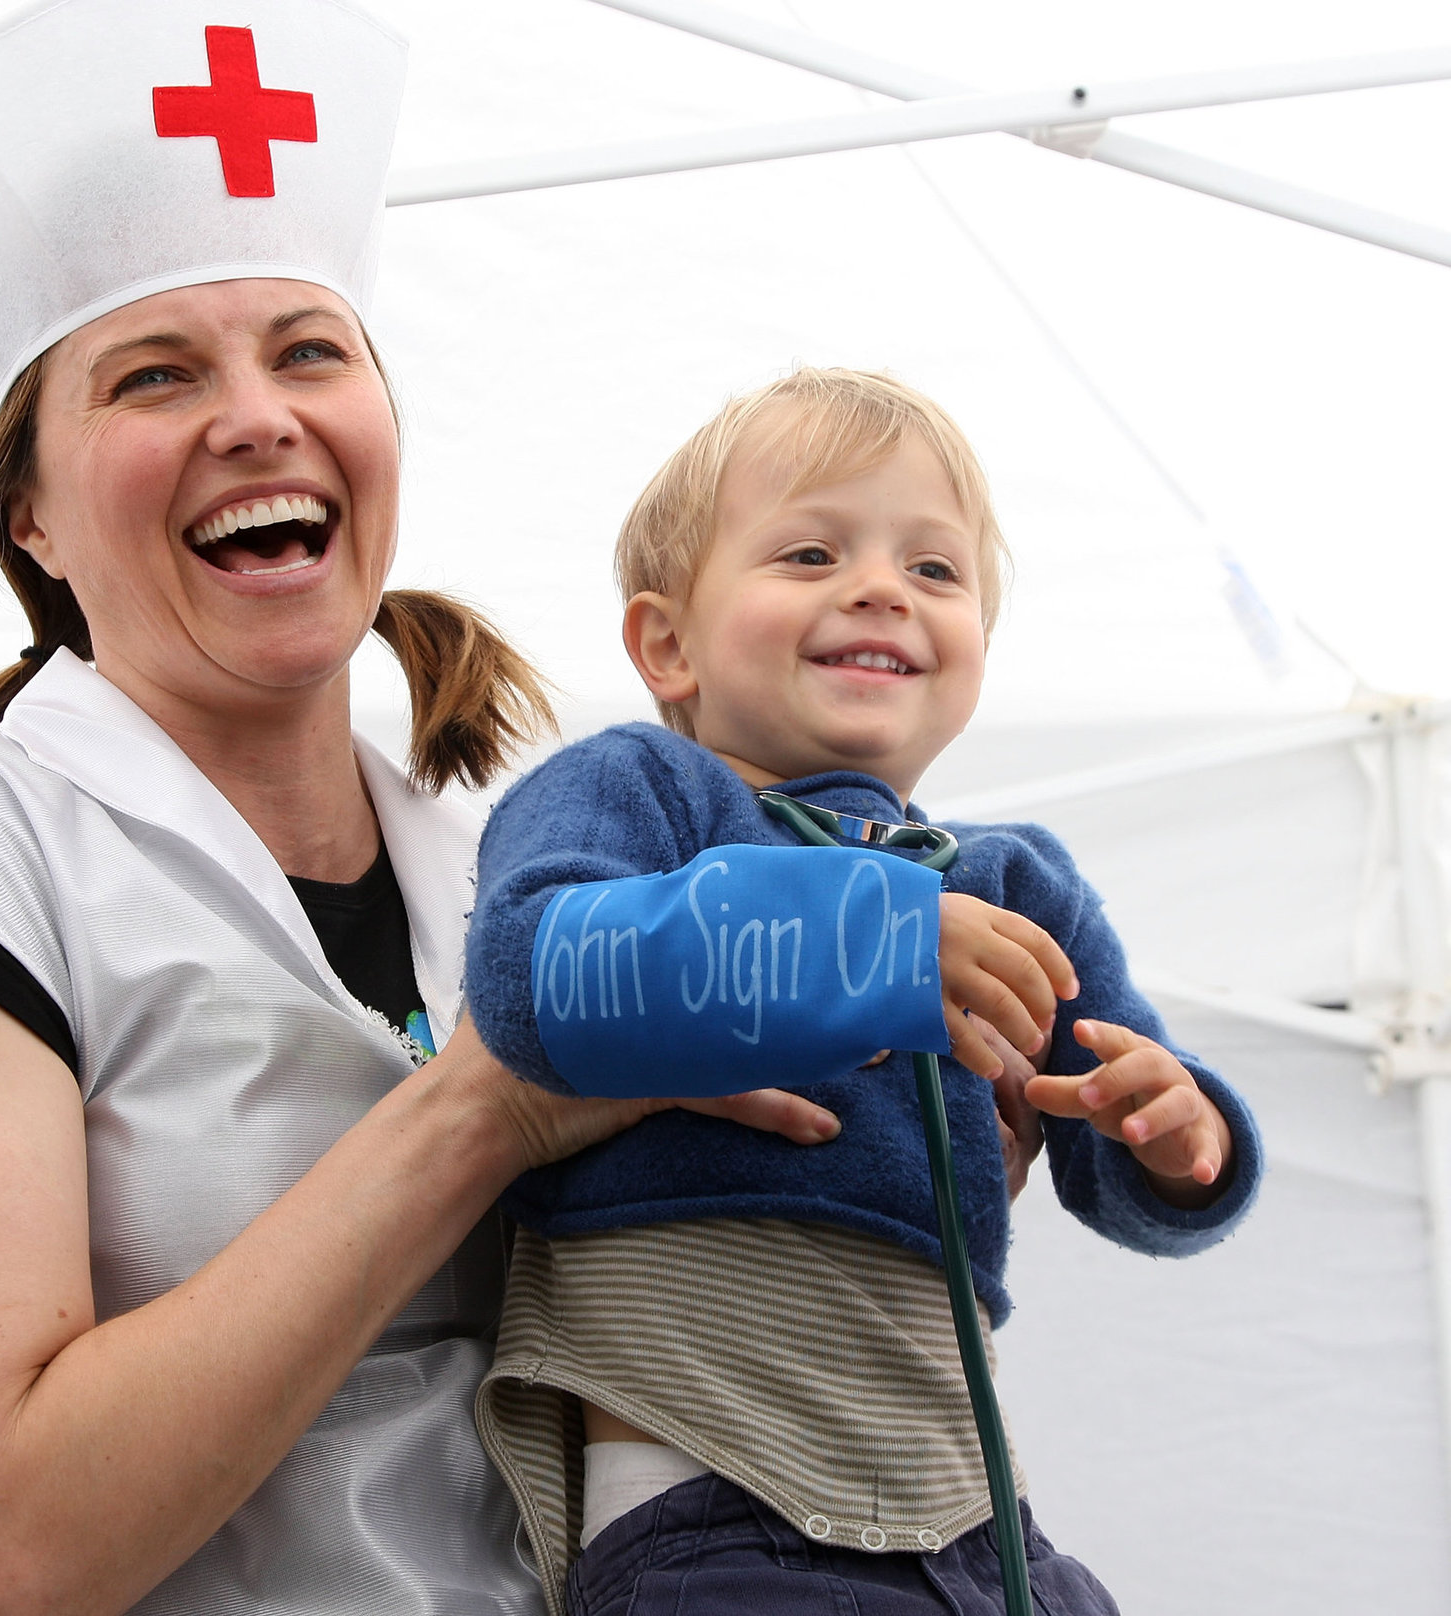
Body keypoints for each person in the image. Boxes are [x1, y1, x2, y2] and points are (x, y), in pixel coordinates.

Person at [0, 6, 901, 1614]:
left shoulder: (522, 856)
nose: (256, 415)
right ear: (31, 519)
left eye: (306, 351)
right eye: (153, 375)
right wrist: (481, 1113)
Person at [463, 368, 1266, 1616]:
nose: (882, 586)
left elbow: (1122, 1148)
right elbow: (532, 971)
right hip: (719, 1511)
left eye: (935, 569)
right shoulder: (641, 792)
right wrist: (868, 943)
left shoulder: (1009, 880)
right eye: (810, 552)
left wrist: (1178, 1132)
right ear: (667, 643)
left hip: (978, 1529)